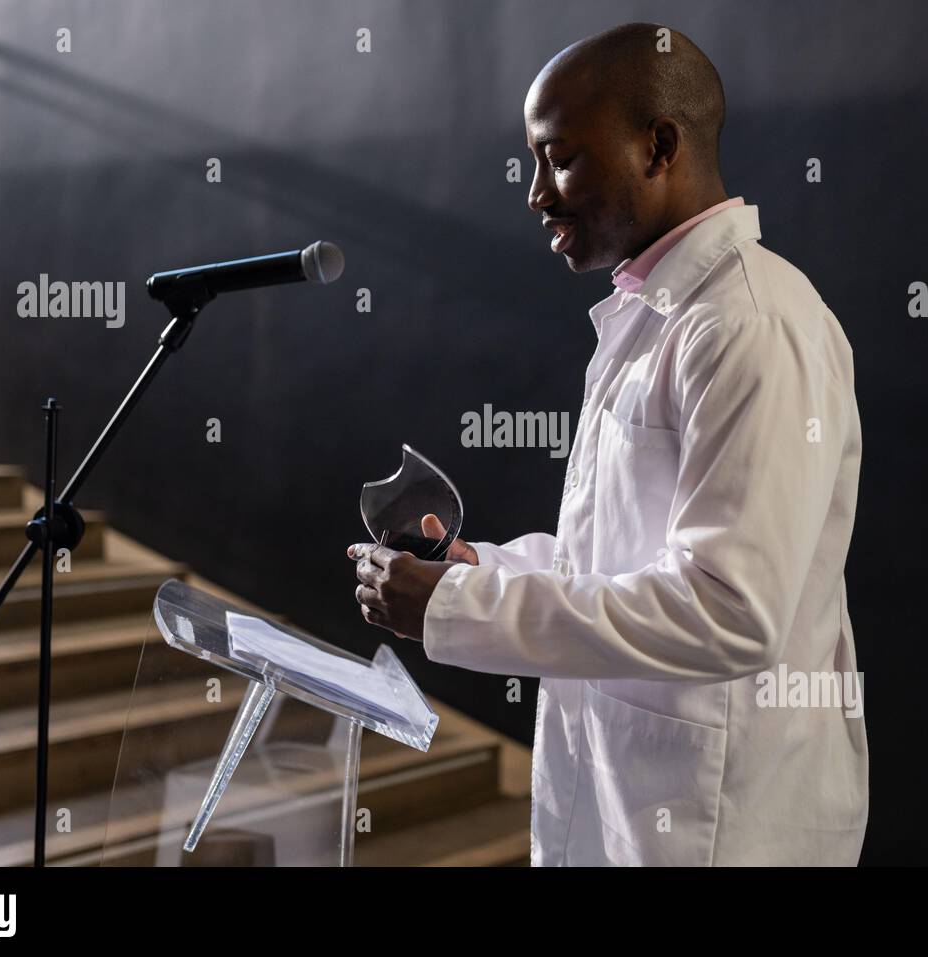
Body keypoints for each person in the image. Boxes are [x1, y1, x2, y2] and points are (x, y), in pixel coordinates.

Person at [349, 22, 868, 866]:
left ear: (657, 146)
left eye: (558, 157)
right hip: (630, 809)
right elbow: (614, 562)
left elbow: (729, 611)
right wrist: (480, 571)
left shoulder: (749, 324)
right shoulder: (654, 316)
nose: (535, 194)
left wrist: (453, 609)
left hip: (725, 828)